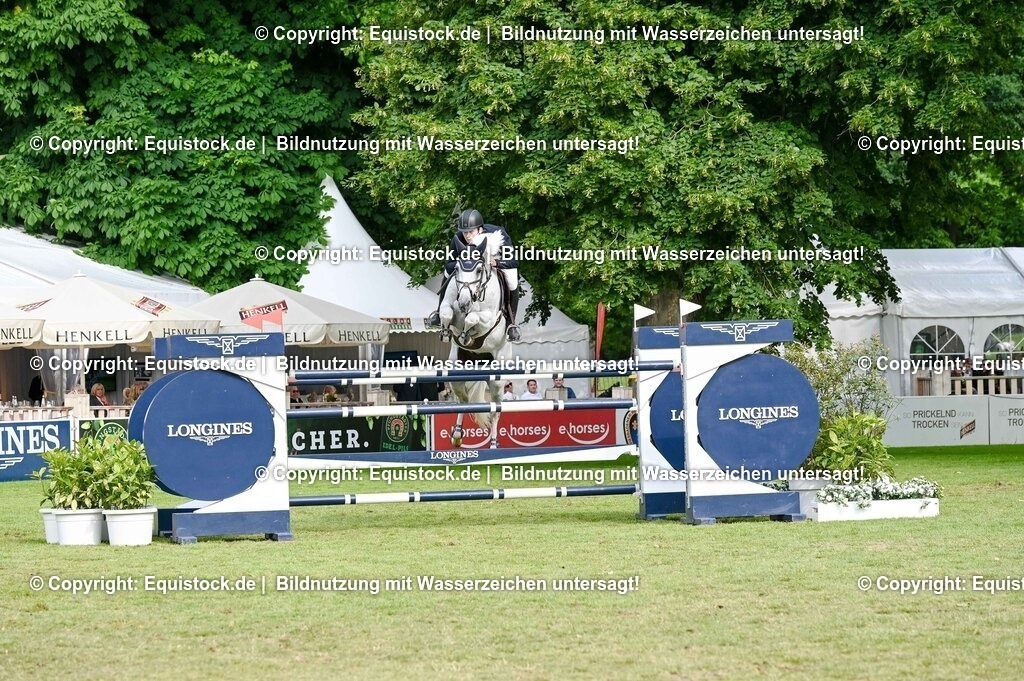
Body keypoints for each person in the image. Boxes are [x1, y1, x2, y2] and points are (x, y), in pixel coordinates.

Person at [426, 208, 521, 342]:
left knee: (512, 281)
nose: (468, 236)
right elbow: (449, 264)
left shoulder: (499, 235)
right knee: (448, 273)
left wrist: (497, 262)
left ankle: (511, 323)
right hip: (469, 266)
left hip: (499, 260)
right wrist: (461, 263)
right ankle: (438, 312)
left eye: (471, 232)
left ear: (480, 230)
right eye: (465, 233)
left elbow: (513, 261)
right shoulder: (458, 238)